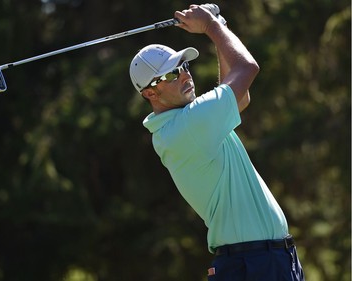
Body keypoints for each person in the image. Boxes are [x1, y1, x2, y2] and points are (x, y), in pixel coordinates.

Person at [129, 4, 305, 281]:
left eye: (183, 66)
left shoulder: (184, 124)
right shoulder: (187, 127)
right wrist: (211, 27)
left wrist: (219, 24)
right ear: (151, 92)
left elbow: (239, 97)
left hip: (258, 260)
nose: (186, 75)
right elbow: (247, 68)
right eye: (172, 74)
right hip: (254, 263)